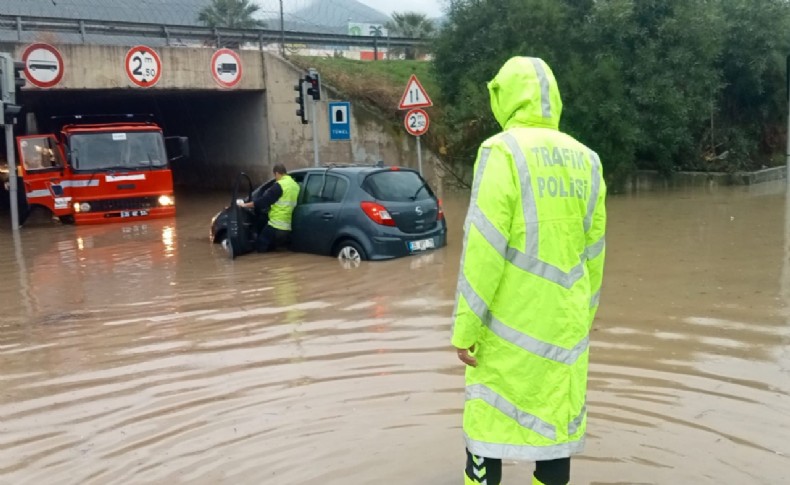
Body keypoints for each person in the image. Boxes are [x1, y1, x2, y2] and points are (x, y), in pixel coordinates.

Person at [451, 56, 607, 485]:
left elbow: (483, 249)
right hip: (564, 332)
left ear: (504, 98)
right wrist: (582, 322)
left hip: (505, 332)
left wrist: (466, 331)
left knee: (486, 435)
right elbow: (595, 256)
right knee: (555, 438)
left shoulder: (500, 152)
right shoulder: (588, 161)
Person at [242, 163, 300, 253]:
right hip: (287, 227)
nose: (275, 178)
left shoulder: (280, 185)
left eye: (275, 175)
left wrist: (245, 205)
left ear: (277, 173)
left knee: (259, 247)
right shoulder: (295, 186)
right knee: (273, 250)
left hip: (275, 225)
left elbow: (264, 201)